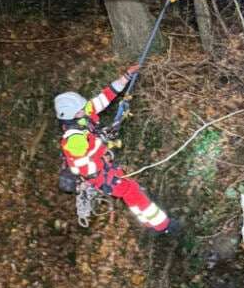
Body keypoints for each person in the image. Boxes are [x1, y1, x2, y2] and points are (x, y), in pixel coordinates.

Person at [54, 64, 175, 234]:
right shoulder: (73, 140)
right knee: (132, 191)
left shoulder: (82, 117)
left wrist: (125, 77)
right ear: (71, 116)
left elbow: (104, 98)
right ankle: (164, 226)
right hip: (100, 177)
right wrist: (103, 142)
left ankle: (151, 224)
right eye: (82, 110)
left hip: (105, 168)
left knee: (133, 192)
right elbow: (84, 161)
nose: (86, 110)